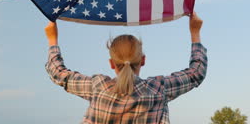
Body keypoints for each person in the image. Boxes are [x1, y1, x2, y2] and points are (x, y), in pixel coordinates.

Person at [44, 12, 208, 124]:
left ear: (111, 63)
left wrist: (52, 39)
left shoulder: (98, 86)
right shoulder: (158, 88)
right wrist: (195, 33)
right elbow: (196, 73)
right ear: (142, 60)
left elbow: (58, 72)